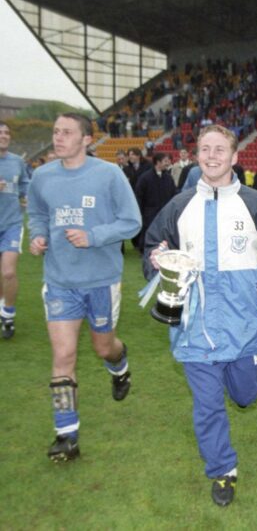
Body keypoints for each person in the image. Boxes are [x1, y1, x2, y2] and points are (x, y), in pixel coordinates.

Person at [143, 124, 257, 507]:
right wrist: (158, 263)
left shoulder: (256, 204)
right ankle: (222, 470)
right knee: (208, 404)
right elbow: (155, 248)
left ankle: (245, 381)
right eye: (205, 149)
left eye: (219, 150)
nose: (212, 155)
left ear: (233, 157)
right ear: (197, 156)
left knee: (245, 395)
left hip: (247, 328)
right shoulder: (179, 206)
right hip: (194, 329)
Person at [27, 113, 141, 462]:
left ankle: (119, 365)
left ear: (86, 139)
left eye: (66, 132)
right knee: (63, 357)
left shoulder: (108, 175)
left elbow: (132, 221)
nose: (57, 138)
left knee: (103, 346)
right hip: (60, 281)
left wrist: (93, 236)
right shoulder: (42, 176)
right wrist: (39, 235)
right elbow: (38, 213)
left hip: (101, 281)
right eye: (55, 131)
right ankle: (67, 436)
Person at [0, 121, 30, 338]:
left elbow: (25, 185)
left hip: (12, 223)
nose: (4, 135)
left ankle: (8, 315)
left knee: (8, 271)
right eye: (0, 132)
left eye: (7, 132)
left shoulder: (17, 161)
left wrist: (26, 197)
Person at [134, 152, 177, 253]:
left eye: (169, 161)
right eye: (166, 161)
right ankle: (144, 250)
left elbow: (173, 194)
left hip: (165, 212)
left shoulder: (168, 178)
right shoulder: (145, 177)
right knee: (148, 232)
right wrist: (139, 212)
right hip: (149, 212)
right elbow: (139, 195)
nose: (168, 163)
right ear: (158, 162)